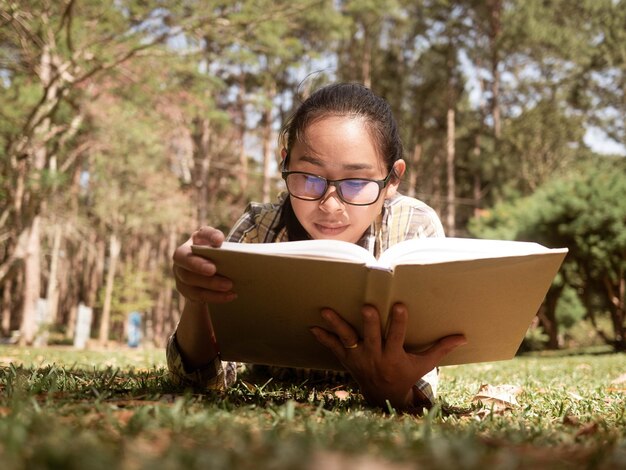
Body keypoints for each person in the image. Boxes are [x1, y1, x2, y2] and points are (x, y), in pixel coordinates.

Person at [169, 83, 466, 412]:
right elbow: (200, 383)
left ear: (393, 179)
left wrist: (397, 393)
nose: (330, 205)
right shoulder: (259, 230)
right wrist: (197, 299)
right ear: (285, 163)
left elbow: (421, 387)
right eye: (309, 178)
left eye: (356, 183)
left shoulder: (414, 229)